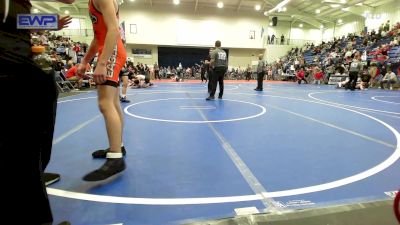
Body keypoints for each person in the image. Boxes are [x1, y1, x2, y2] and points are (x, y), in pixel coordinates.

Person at [0, 1, 75, 224]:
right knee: (23, 149)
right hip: (11, 69)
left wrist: (49, 22)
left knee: (24, 151)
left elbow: (13, 21)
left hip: (19, 63)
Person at [77, 0, 127, 181]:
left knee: (105, 103)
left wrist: (103, 62)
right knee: (112, 102)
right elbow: (99, 36)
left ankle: (115, 158)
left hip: (111, 50)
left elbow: (114, 30)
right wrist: (85, 61)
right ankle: (118, 147)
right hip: (108, 49)